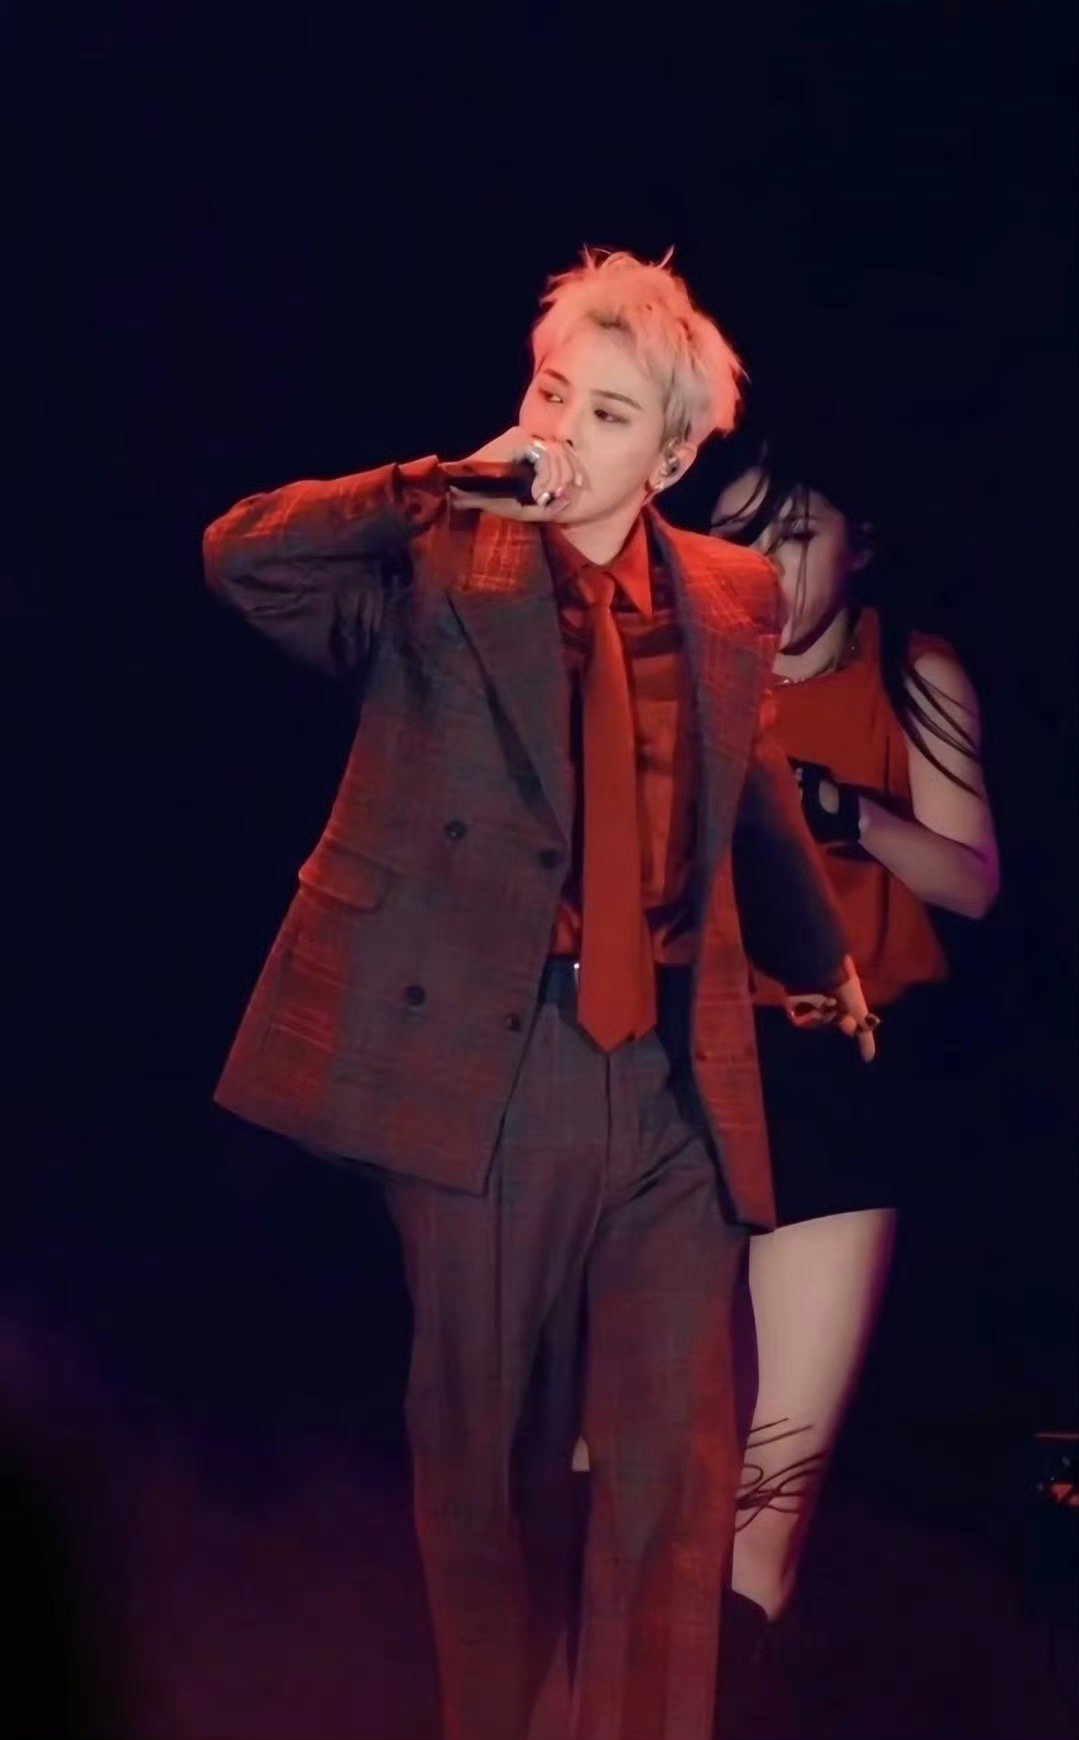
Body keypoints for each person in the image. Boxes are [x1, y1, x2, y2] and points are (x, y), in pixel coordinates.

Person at [202, 250, 875, 1740]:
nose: (563, 430)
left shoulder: (729, 594)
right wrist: (433, 481)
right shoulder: (440, 559)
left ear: (672, 457)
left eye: (608, 414)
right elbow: (245, 560)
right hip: (491, 1069)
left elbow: (745, 788)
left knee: (672, 1467)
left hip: (668, 1079)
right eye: (551, 391)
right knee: (488, 1457)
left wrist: (817, 956)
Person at [708, 438, 1000, 1667]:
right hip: (676, 1076)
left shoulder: (908, 668)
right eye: (737, 535)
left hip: (840, 1076)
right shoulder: (683, 660)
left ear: (860, 542)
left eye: (795, 532)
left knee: (765, 1500)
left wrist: (845, 811)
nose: (765, 565)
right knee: (611, 1462)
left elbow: (971, 883)